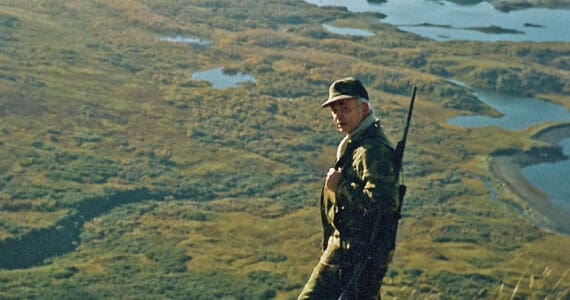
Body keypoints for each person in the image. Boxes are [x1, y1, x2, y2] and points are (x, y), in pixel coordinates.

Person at [298, 77, 400, 299]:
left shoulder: (371, 150)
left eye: (344, 107)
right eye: (334, 110)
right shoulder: (357, 144)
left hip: (354, 252)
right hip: (351, 250)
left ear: (363, 108)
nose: (337, 115)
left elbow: (384, 203)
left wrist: (340, 187)